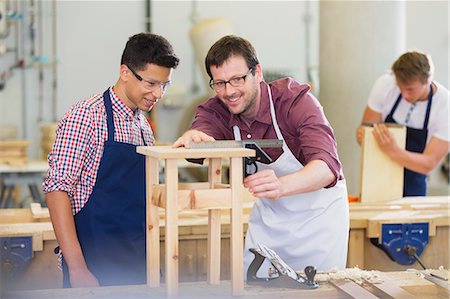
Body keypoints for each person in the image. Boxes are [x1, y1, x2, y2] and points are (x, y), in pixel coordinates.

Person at [173, 35, 349, 277]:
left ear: (257, 72)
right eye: (220, 83)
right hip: (269, 221)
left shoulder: (295, 101)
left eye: (238, 79)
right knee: (254, 286)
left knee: (317, 289)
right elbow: (204, 126)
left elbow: (327, 168)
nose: (229, 91)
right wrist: (195, 136)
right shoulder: (218, 108)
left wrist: (281, 184)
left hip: (317, 223)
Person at [43, 33, 179, 287]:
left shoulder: (143, 125)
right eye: (150, 83)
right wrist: (78, 269)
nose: (158, 94)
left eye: (165, 85)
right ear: (125, 72)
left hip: (139, 264)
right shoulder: (86, 117)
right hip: (94, 267)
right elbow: (57, 191)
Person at [356, 51, 450, 196]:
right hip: (377, 174)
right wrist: (363, 136)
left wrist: (393, 150)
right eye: (400, 87)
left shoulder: (445, 105)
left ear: (428, 80)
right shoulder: (386, 84)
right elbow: (363, 133)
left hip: (415, 180)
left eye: (410, 89)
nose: (404, 95)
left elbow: (429, 164)